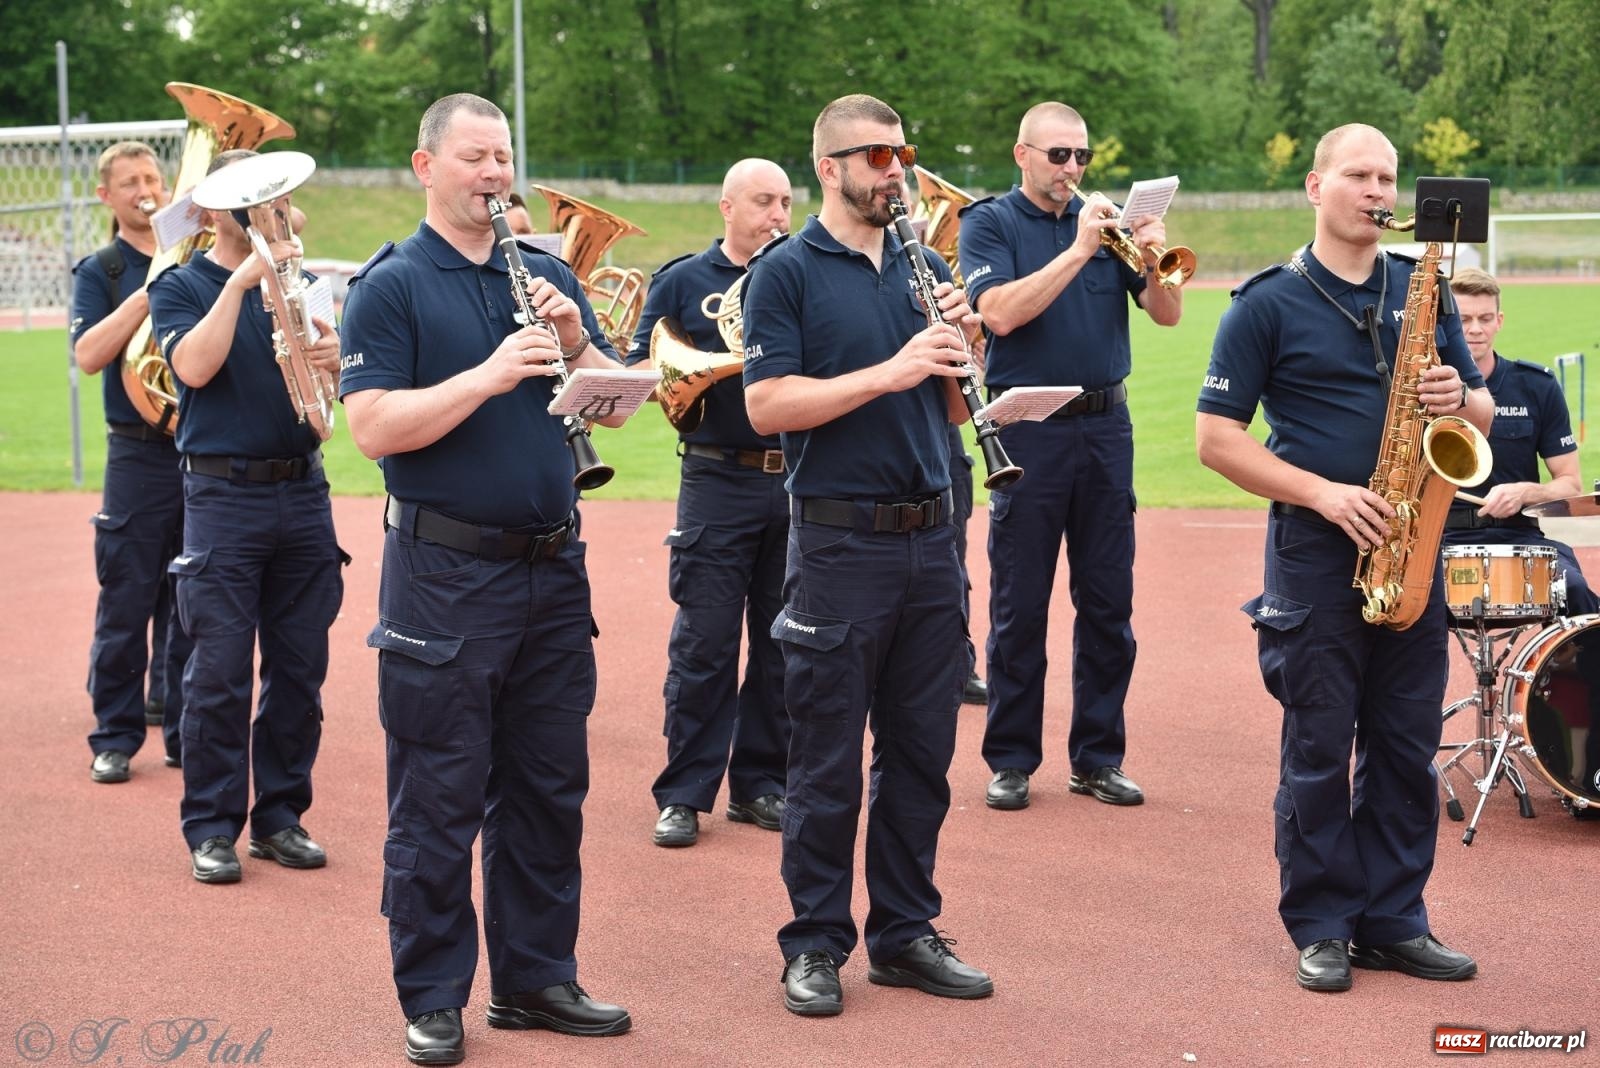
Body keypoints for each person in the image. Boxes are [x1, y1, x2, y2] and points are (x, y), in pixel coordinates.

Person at [339, 93, 632, 1065]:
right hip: (443, 579)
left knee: (549, 789)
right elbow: (374, 428)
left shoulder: (546, 271)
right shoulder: (392, 285)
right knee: (438, 796)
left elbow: (616, 410)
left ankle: (536, 977)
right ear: (426, 168)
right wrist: (490, 373)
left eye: (503, 154)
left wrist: (582, 345)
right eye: (473, 157)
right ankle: (431, 996)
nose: (494, 172)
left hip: (553, 571)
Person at [1195, 123, 1489, 993]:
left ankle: (1395, 920)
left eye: (1386, 176)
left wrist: (1457, 396)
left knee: (1405, 747)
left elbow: (1477, 410)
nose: (1376, 190)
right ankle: (1322, 923)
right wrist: (1322, 493)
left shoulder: (1421, 286)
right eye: (1358, 174)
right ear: (1315, 187)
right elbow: (1215, 440)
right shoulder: (1264, 303)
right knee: (1320, 748)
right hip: (1318, 553)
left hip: (1413, 541)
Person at [742, 92, 994, 1018]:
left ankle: (903, 932)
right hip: (841, 542)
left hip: (934, 538)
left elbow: (957, 411)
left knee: (923, 753)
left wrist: (965, 352)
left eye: (902, 155)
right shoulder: (785, 273)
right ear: (831, 167)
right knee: (825, 761)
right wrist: (892, 368)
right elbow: (767, 407)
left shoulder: (926, 264)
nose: (896, 171)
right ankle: (813, 942)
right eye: (876, 157)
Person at [958, 101, 1182, 811]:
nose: (1073, 170)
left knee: (1109, 603)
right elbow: (998, 314)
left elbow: (1168, 313)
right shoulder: (988, 223)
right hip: (1029, 427)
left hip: (1105, 427)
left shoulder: (1106, 228)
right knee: (1020, 604)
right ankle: (1013, 759)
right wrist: (1080, 248)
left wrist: (1152, 253)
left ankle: (1096, 756)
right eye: (1059, 156)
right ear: (1022, 154)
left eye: (1081, 157)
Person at [146, 148, 345, 886]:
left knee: (300, 670)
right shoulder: (180, 284)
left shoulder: (305, 285)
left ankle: (282, 817)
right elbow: (193, 368)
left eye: (274, 196)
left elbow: (330, 405)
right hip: (223, 497)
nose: (268, 209)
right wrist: (239, 285)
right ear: (214, 209)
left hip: (302, 489)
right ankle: (212, 827)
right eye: (252, 197)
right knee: (220, 672)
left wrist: (332, 358)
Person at [625, 158, 794, 848]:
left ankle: (761, 785)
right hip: (717, 478)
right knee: (706, 642)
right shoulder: (684, 281)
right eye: (763, 201)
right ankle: (685, 794)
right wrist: (682, 376)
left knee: (784, 647)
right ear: (727, 206)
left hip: (793, 478)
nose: (778, 215)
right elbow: (639, 367)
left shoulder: (800, 273)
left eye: (786, 202)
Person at [71, 140, 191, 782]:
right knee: (127, 597)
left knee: (189, 601)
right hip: (138, 455)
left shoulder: (194, 259)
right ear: (106, 197)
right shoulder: (106, 269)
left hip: (200, 451)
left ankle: (179, 728)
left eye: (152, 178)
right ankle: (114, 735)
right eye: (130, 182)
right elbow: (89, 355)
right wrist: (147, 295)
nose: (145, 189)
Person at [1440, 266, 1597, 615]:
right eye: (1463, 319)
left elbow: (1571, 484)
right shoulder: (1423, 389)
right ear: (1446, 324)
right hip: (1438, 543)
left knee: (1578, 594)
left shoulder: (1538, 385)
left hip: (1519, 540)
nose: (1475, 329)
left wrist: (1527, 492)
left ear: (1500, 320)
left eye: (1485, 317)